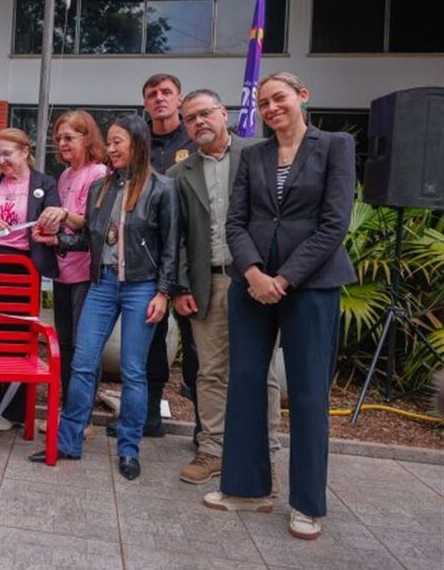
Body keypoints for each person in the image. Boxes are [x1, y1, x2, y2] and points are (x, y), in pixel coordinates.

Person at [203, 72, 357, 541]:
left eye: (279, 98)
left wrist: (285, 278)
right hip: (252, 285)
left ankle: (307, 504)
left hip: (311, 285)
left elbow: (334, 224)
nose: (271, 108)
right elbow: (236, 222)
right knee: (246, 382)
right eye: (264, 102)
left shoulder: (335, 146)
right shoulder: (254, 155)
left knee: (308, 393)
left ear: (302, 96)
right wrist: (253, 273)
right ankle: (245, 489)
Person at [28, 114, 178, 482]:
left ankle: (129, 448)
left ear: (137, 144)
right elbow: (88, 239)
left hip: (142, 287)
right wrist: (58, 240)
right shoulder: (102, 187)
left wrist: (163, 293)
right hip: (102, 283)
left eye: (117, 142)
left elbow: (172, 247)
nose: (110, 149)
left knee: (133, 371)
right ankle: (69, 441)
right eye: (108, 142)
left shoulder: (162, 188)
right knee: (82, 362)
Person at [167, 90, 282, 489]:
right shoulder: (179, 174)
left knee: (260, 371)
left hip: (255, 280)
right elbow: (177, 237)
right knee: (211, 371)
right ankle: (213, 449)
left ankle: (265, 455)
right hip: (207, 283)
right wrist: (180, 285)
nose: (198, 122)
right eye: (189, 118)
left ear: (223, 113)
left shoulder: (260, 154)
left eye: (204, 113)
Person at [108, 73, 198, 440]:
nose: (159, 99)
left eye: (166, 92)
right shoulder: (138, 138)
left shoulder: (192, 137)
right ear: (145, 102)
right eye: (152, 94)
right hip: (147, 258)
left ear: (179, 98)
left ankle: (206, 430)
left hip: (190, 254)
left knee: (196, 344)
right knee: (151, 342)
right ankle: (148, 415)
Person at [0, 128, 60, 432]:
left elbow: (54, 226)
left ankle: (12, 412)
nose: (1, 160)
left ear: (25, 152)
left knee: (16, 339)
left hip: (23, 269)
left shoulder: (45, 184)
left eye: (7, 153)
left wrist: (47, 230)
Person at [37, 110, 109, 419]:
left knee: (84, 347)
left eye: (69, 137)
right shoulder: (65, 175)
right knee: (64, 344)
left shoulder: (99, 173)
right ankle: (68, 410)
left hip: (85, 272)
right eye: (58, 138)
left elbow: (94, 224)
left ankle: (82, 417)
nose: (62, 143)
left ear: (87, 138)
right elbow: (62, 221)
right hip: (62, 270)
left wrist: (64, 216)